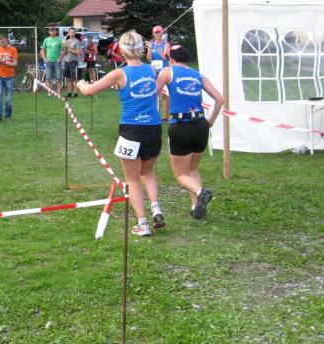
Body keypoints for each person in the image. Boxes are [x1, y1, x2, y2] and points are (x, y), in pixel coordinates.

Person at [76, 30, 164, 236]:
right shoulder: (151, 69)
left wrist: (80, 84)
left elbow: (89, 91)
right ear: (141, 49)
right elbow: (149, 90)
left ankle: (142, 223)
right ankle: (156, 208)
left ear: (122, 51)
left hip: (131, 129)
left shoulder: (119, 73)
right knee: (148, 172)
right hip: (153, 127)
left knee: (132, 179)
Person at [155, 44, 223, 220]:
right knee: (192, 169)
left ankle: (201, 192)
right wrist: (211, 121)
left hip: (180, 125)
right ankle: (196, 208)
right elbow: (219, 99)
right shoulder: (198, 75)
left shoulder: (167, 72)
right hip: (200, 126)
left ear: (171, 58)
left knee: (180, 174)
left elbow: (153, 93)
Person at [0, 34, 18, 122]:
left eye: (3, 42)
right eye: (0, 42)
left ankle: (8, 116)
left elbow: (15, 64)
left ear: (7, 40)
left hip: (9, 77)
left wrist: (6, 63)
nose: (1, 44)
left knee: (8, 98)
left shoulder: (13, 49)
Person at [147, 25, 171, 119]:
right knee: (154, 94)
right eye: (156, 32)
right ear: (153, 34)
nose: (157, 34)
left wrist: (157, 48)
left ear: (162, 33)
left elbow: (165, 57)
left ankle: (165, 116)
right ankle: (155, 115)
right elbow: (149, 59)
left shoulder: (166, 44)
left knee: (164, 94)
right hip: (154, 71)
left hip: (164, 71)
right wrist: (149, 49)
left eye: (159, 32)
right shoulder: (151, 45)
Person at [40, 26, 63, 96]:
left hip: (57, 61)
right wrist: (44, 58)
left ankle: (58, 93)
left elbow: (63, 50)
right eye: (51, 30)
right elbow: (42, 50)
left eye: (54, 30)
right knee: (48, 78)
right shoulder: (46, 40)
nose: (52, 31)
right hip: (48, 61)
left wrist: (60, 58)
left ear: (56, 32)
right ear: (49, 32)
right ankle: (49, 93)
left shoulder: (60, 40)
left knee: (58, 78)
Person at [62, 28, 83, 98]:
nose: (72, 33)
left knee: (75, 78)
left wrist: (69, 48)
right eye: (71, 32)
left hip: (73, 61)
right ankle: (69, 93)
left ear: (75, 33)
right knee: (68, 78)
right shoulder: (66, 41)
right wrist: (65, 48)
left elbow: (78, 53)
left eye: (73, 32)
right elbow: (65, 53)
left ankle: (76, 93)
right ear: (69, 33)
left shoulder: (77, 41)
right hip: (66, 61)